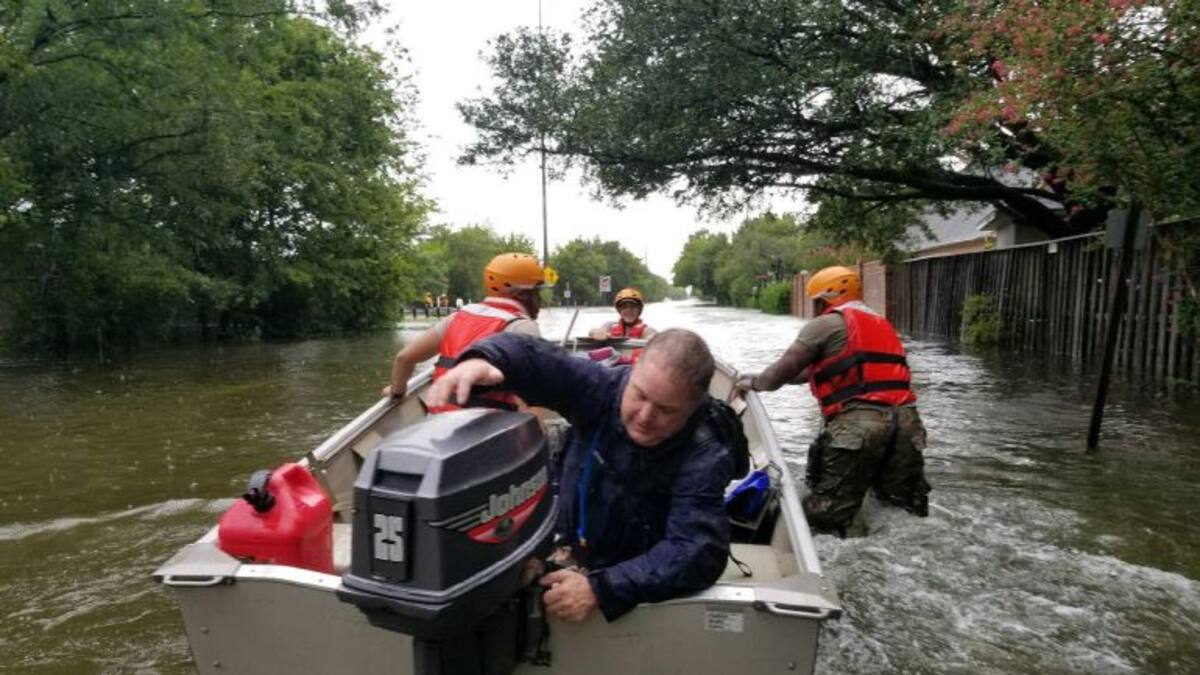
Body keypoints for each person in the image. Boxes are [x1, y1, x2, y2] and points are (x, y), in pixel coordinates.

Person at [427, 329, 745, 624]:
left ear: (693, 407)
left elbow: (697, 551)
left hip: (636, 572)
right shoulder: (602, 389)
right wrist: (486, 358)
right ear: (632, 373)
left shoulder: (705, 451)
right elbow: (539, 359)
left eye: (665, 410)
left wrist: (601, 588)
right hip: (574, 540)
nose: (645, 416)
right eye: (640, 395)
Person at [731, 265, 930, 536]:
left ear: (830, 295)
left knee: (826, 515)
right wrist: (767, 377)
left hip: (860, 424)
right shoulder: (881, 324)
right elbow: (820, 371)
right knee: (899, 508)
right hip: (907, 423)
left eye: (819, 300)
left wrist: (754, 382)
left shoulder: (824, 324)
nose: (817, 307)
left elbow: (781, 372)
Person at [383, 253, 549, 408]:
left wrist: (397, 394)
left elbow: (404, 358)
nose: (540, 300)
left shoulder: (457, 317)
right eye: (538, 292)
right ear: (521, 294)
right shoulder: (523, 327)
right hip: (492, 428)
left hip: (439, 423)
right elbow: (532, 401)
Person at [588, 287, 657, 340]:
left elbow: (654, 337)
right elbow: (594, 331)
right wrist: (595, 333)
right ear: (619, 310)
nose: (628, 310)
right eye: (624, 307)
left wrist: (652, 339)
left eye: (632, 307)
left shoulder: (647, 330)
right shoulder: (609, 326)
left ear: (639, 310)